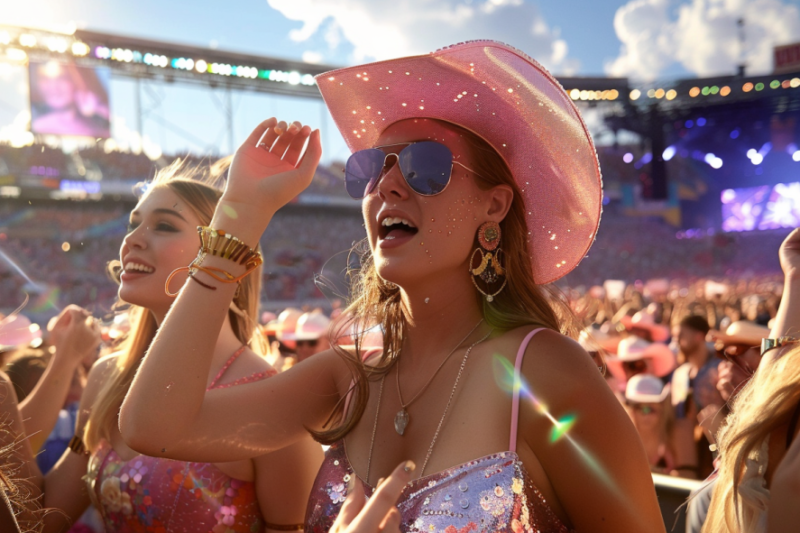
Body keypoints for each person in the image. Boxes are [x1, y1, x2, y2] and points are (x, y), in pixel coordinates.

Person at [120, 41, 666, 532]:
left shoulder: (543, 372)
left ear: (494, 205)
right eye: (369, 169)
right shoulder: (345, 377)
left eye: (424, 166)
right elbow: (154, 426)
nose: (387, 185)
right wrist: (239, 215)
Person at [31, 162, 323, 532]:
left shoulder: (270, 398)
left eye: (164, 226)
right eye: (134, 223)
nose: (131, 239)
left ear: (223, 252)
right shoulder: (107, 376)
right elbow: (42, 517)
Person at [624, 374, 678, 475]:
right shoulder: (622, 440)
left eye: (651, 409)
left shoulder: (672, 438)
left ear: (662, 409)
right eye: (639, 408)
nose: (646, 415)